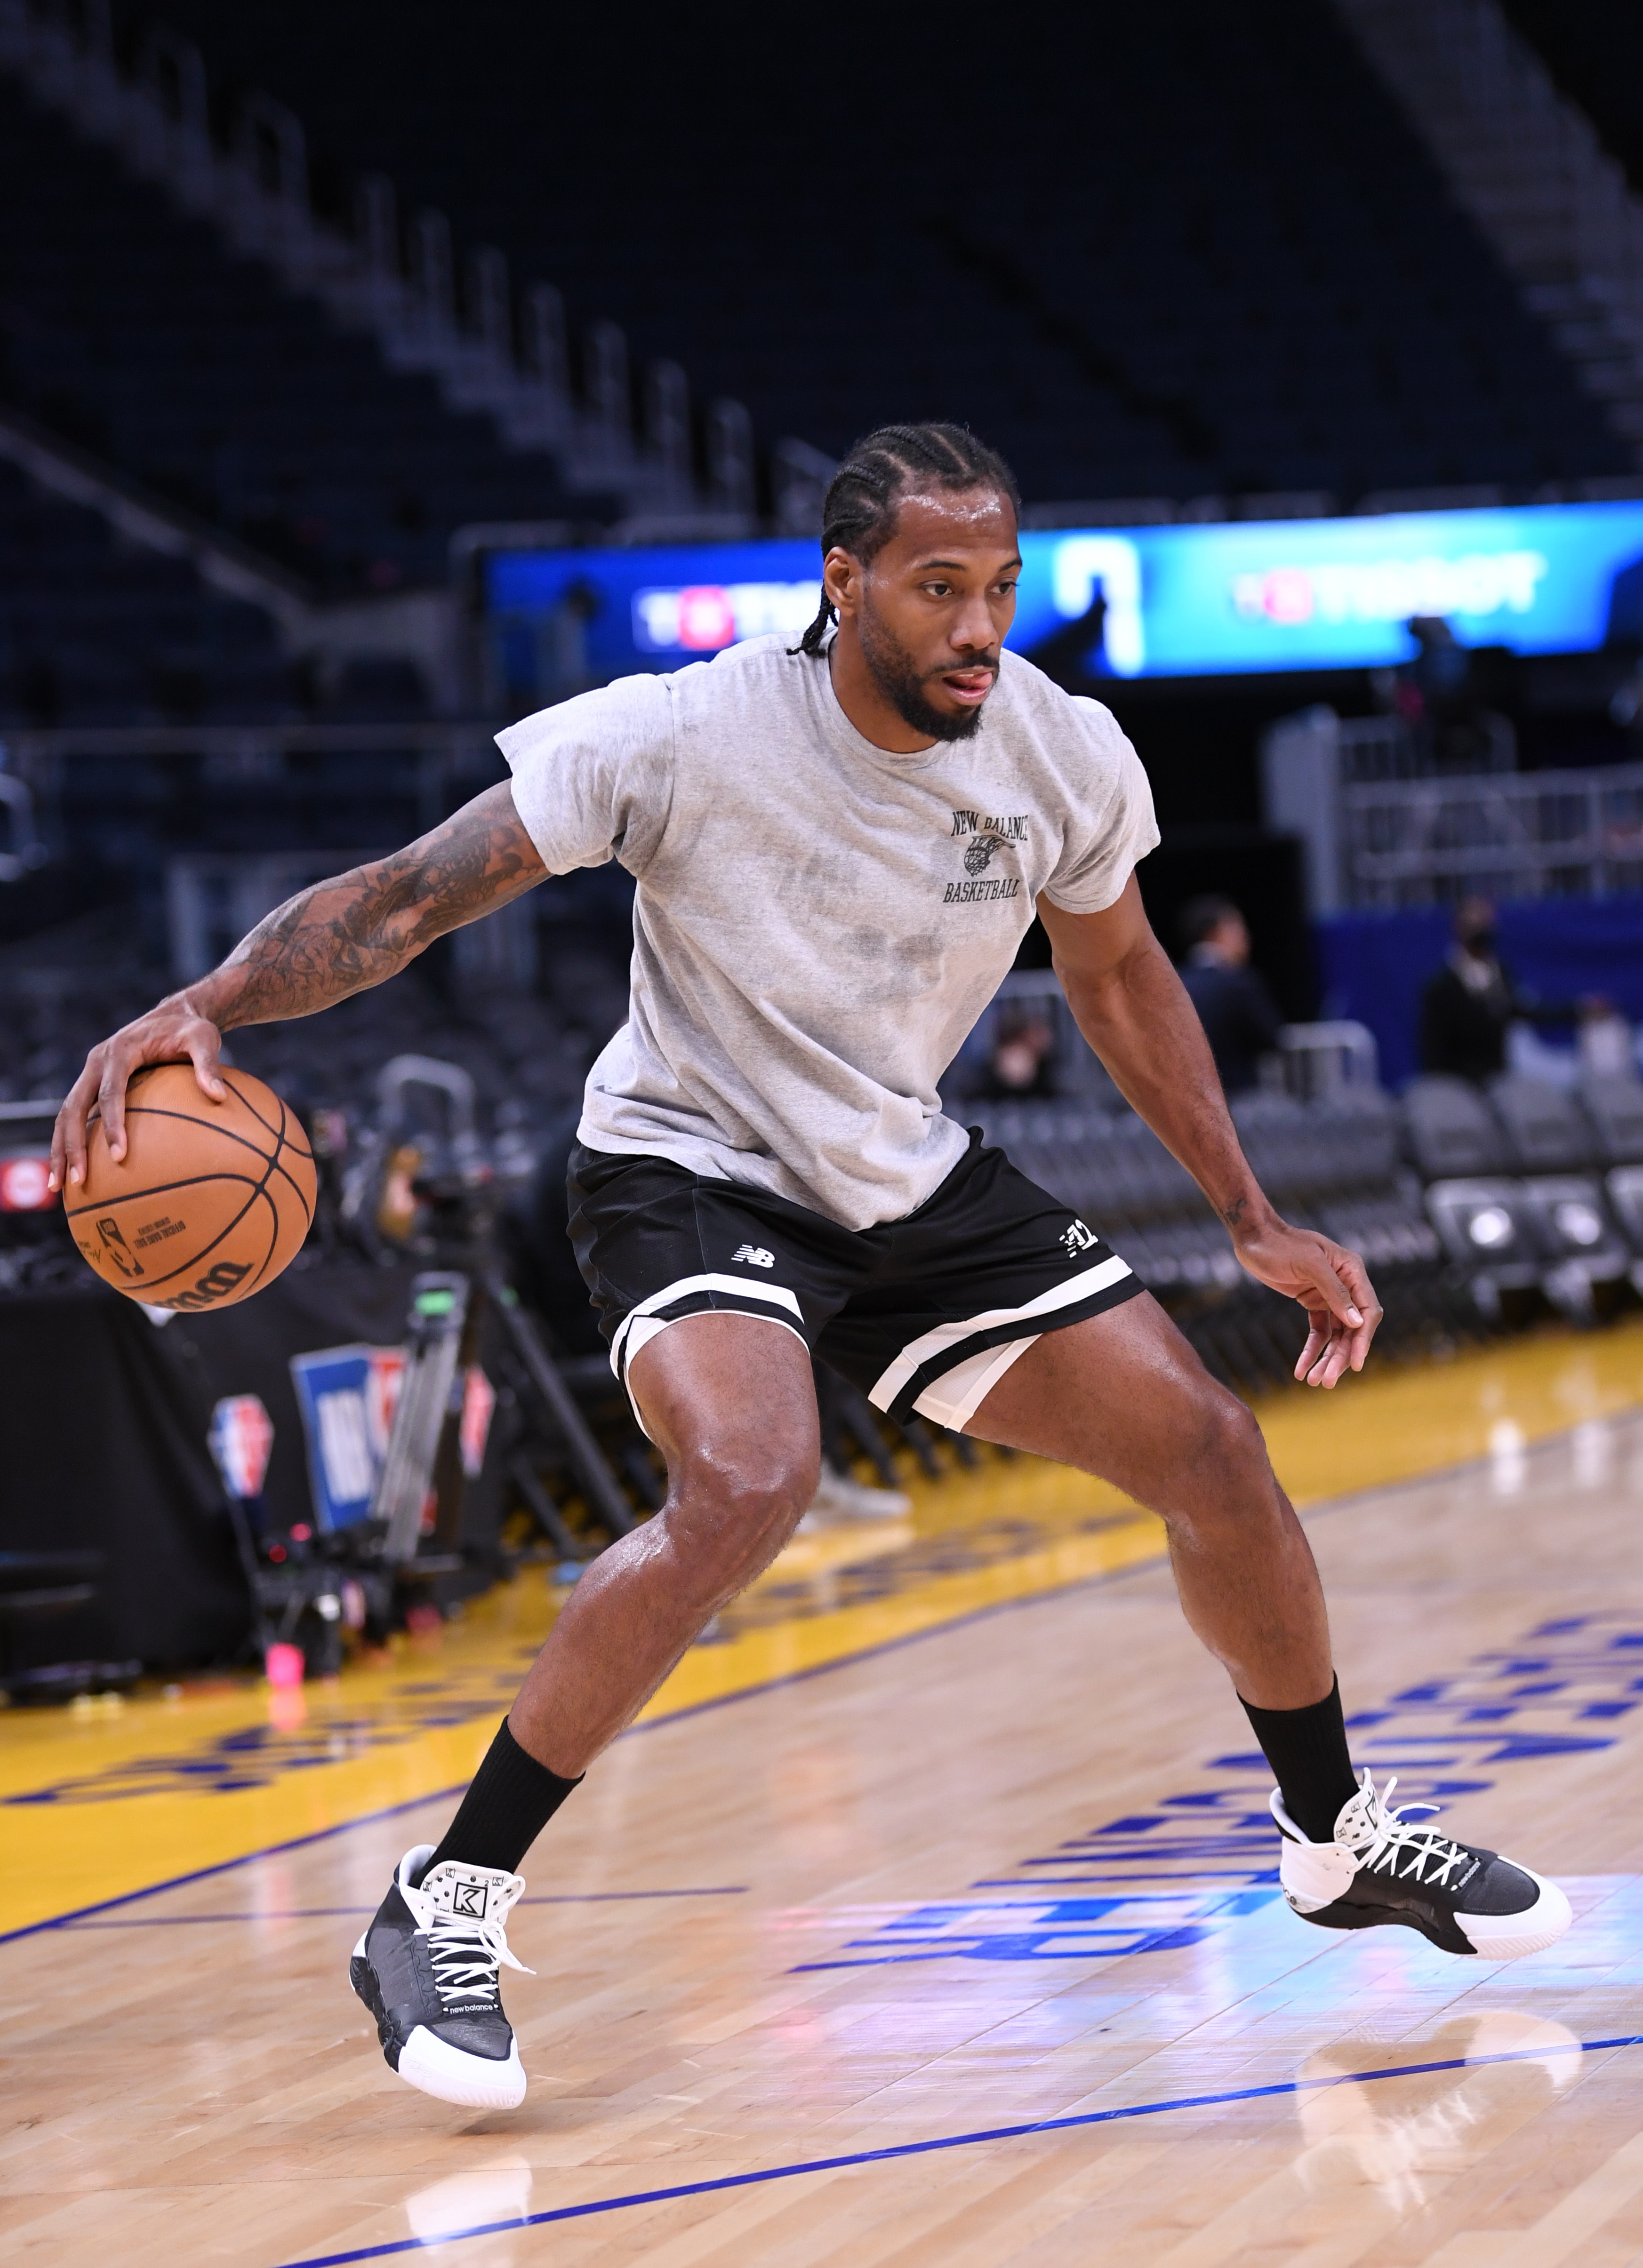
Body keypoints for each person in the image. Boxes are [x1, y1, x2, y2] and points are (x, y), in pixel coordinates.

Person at [52, 422, 1570, 2112]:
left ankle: (1329, 1834)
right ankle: (443, 1900)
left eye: (997, 587)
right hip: (684, 1169)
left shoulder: (1054, 750)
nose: (977, 626)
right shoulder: (678, 732)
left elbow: (1124, 974)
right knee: (753, 1476)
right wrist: (212, 1006)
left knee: (1211, 1449)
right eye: (937, 588)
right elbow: (406, 900)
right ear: (839, 584)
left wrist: (1245, 1209)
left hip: (901, 1178)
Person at [1418, 897, 1576, 1083]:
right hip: (1461, 1083)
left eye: (1486, 924)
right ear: (1460, 928)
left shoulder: (1499, 972)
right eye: (1475, 924)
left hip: (1498, 1078)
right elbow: (1433, 1050)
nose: (1483, 931)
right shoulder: (1441, 986)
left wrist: (1576, 1011)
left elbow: (1523, 1010)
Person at [1176, 896, 1283, 1095]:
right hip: (1243, 1103)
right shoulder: (1240, 984)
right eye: (1238, 930)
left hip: (1188, 1102)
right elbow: (1272, 1039)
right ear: (1214, 933)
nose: (1246, 938)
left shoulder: (1174, 985)